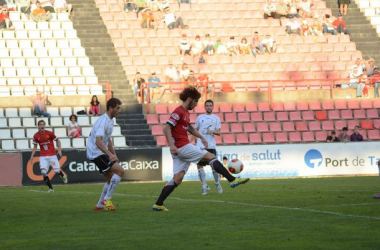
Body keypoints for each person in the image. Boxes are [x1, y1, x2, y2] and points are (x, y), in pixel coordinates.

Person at [152, 87, 249, 212]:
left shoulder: (186, 113)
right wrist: (172, 145)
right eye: (196, 101)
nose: (197, 104)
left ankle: (158, 204)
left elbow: (190, 129)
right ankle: (232, 179)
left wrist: (202, 137)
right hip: (182, 147)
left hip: (180, 149)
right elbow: (166, 128)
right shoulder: (179, 111)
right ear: (189, 99)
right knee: (211, 157)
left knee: (177, 179)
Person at [86, 98, 124, 211]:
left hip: (100, 151)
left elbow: (107, 140)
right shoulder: (103, 121)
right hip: (96, 152)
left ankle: (99, 205)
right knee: (120, 171)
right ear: (110, 108)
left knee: (111, 178)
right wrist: (109, 154)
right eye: (117, 108)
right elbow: (98, 141)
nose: (119, 111)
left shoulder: (111, 120)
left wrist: (114, 155)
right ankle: (107, 199)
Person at [193, 100, 223, 195]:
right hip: (200, 146)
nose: (209, 107)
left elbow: (219, 132)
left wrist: (212, 131)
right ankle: (204, 186)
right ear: (205, 107)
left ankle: (217, 183)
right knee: (199, 166)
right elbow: (195, 130)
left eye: (210, 105)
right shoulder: (200, 117)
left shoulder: (216, 118)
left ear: (213, 106)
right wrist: (190, 142)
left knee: (214, 167)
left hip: (211, 146)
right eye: (207, 105)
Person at [30, 120, 68, 192]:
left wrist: (59, 150)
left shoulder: (49, 133)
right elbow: (35, 147)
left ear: (45, 125)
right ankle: (51, 188)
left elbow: (58, 140)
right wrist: (32, 156)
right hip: (43, 156)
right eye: (40, 124)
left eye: (43, 124)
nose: (42, 126)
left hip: (52, 155)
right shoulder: (36, 136)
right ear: (38, 126)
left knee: (57, 170)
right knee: (43, 172)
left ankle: (62, 175)